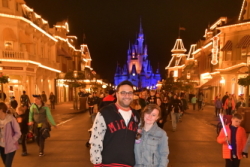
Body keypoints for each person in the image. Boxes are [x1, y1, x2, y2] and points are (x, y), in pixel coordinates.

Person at [89, 80, 140, 166]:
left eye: (130, 93)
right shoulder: (105, 112)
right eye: (123, 92)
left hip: (129, 163)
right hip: (108, 163)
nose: (127, 95)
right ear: (117, 94)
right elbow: (96, 139)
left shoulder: (136, 115)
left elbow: (139, 138)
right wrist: (97, 163)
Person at [0, 102, 21, 167]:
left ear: (1, 110)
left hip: (10, 147)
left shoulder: (11, 119)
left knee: (7, 165)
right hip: (1, 146)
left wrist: (12, 141)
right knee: (5, 163)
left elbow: (18, 132)